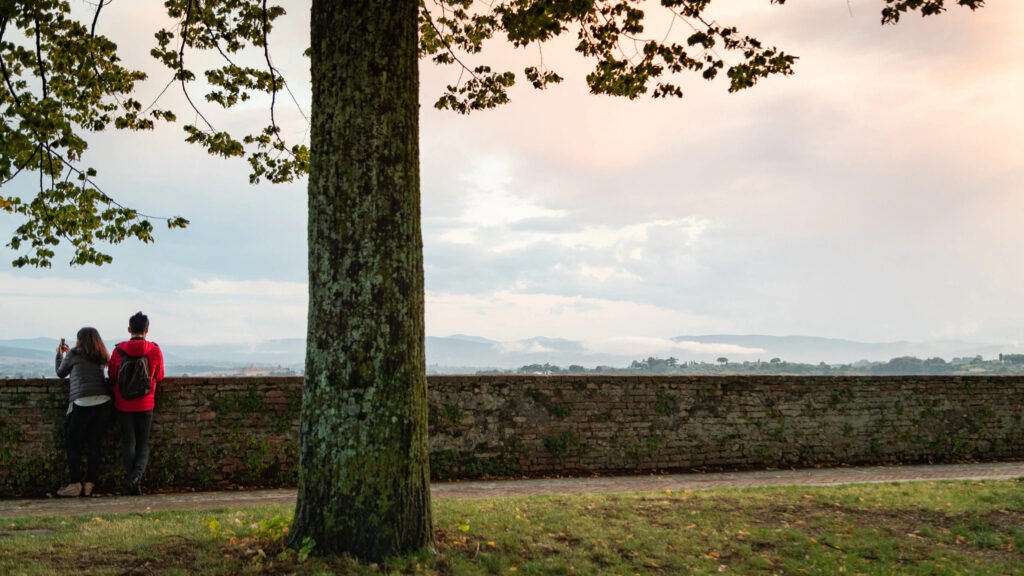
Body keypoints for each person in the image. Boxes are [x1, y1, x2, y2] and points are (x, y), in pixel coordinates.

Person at [108, 311, 164, 495]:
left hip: (123, 403)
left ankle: (133, 480)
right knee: (143, 444)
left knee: (128, 442)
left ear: (129, 329)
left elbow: (112, 375)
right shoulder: (154, 350)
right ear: (147, 330)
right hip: (146, 404)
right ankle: (135, 479)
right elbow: (160, 376)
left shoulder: (118, 350)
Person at [55, 327, 112, 497]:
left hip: (82, 402)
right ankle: (90, 483)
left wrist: (59, 354)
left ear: (79, 340)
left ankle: (74, 484)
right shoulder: (101, 354)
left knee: (73, 443)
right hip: (104, 402)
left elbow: (60, 373)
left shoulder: (74, 353)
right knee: (95, 443)